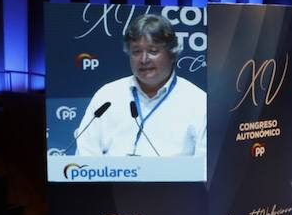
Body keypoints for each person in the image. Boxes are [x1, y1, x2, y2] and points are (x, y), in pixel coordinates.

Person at [74, 13, 207, 157]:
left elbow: (206, 165)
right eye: (136, 52)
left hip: (175, 179)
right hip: (111, 179)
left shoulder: (198, 101)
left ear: (172, 53)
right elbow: (85, 153)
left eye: (153, 51)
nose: (144, 59)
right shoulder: (107, 96)